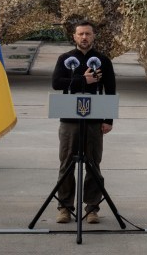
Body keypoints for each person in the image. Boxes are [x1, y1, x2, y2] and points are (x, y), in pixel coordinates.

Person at [51, 20, 116, 225]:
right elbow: (56, 83)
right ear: (74, 37)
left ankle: (92, 208)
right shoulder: (65, 58)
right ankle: (64, 207)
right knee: (67, 163)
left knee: (93, 164)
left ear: (93, 36)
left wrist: (108, 120)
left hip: (94, 120)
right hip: (70, 119)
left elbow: (110, 89)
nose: (84, 37)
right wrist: (82, 80)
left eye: (88, 34)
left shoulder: (103, 60)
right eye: (81, 34)